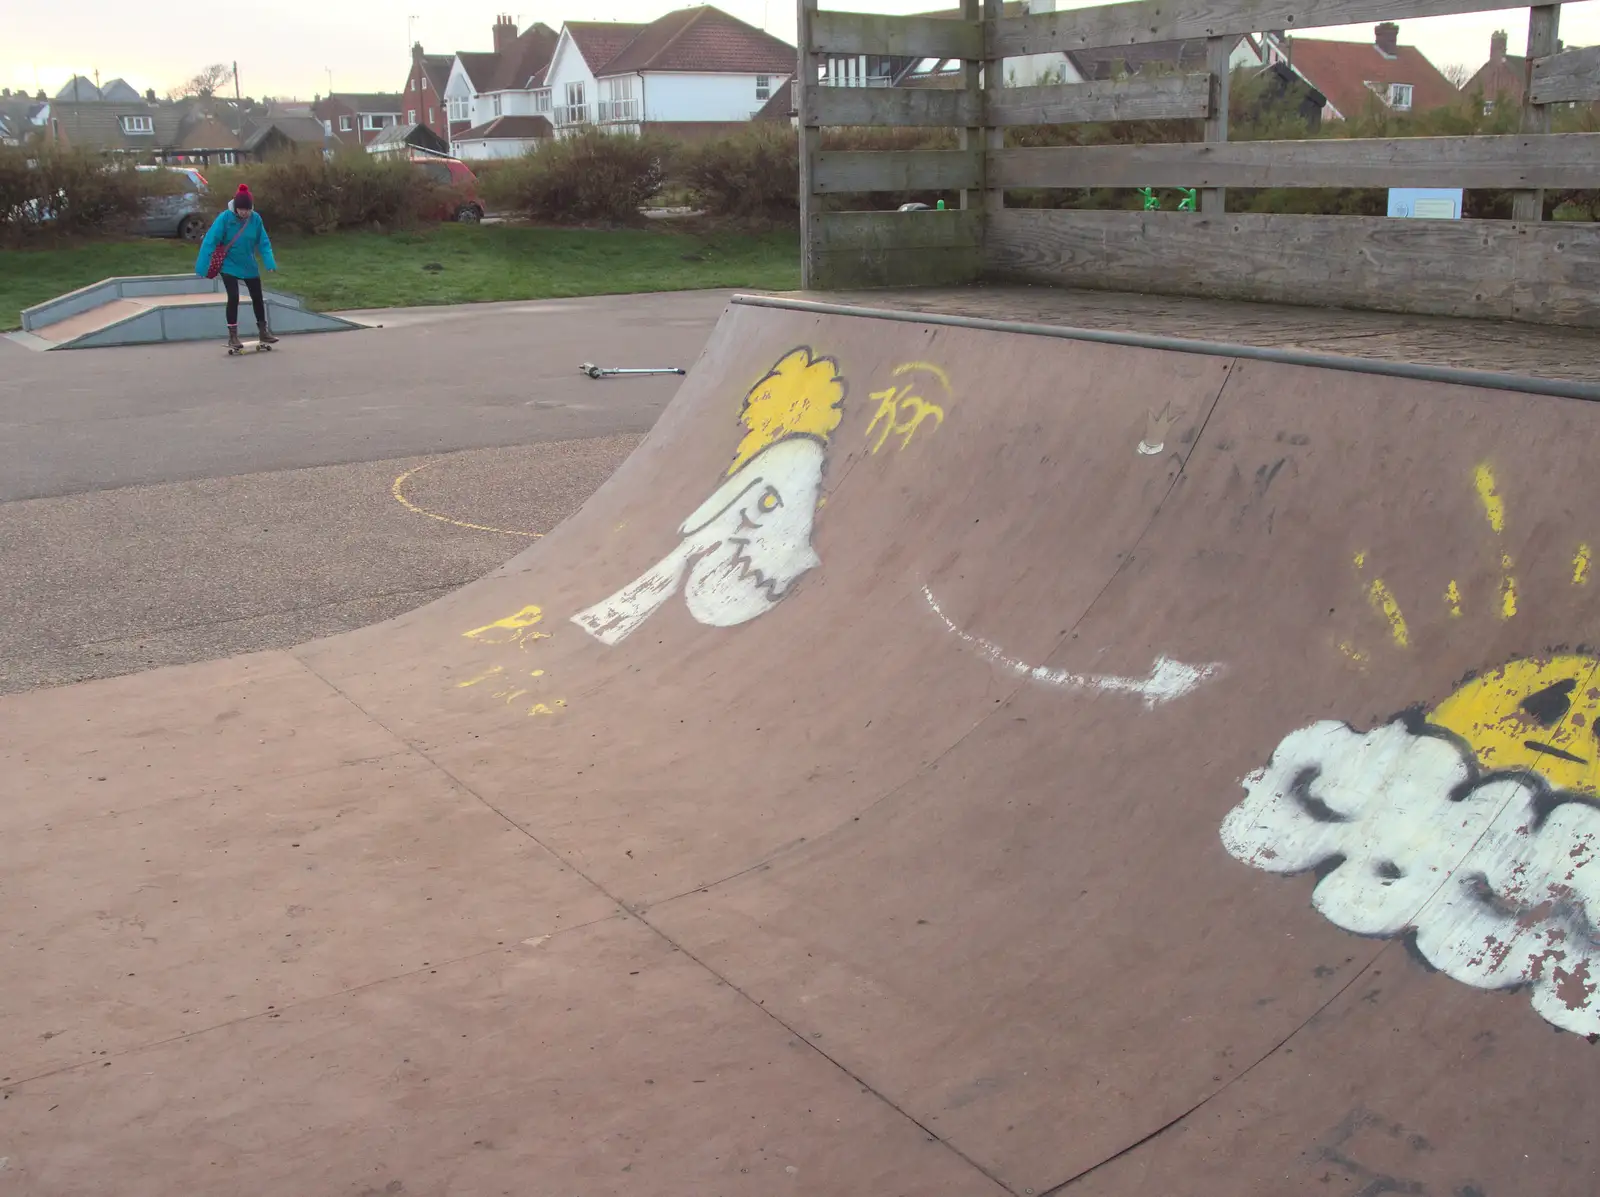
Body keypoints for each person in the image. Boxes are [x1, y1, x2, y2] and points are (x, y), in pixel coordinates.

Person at [195, 184, 278, 351]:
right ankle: (233, 335)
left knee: (257, 297)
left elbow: (263, 242)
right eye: (241, 209)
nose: (244, 213)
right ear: (235, 207)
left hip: (248, 263)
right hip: (229, 264)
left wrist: (269, 262)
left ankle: (263, 331)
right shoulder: (225, 218)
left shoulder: (255, 219)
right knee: (233, 297)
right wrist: (203, 267)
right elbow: (210, 240)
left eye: (247, 210)